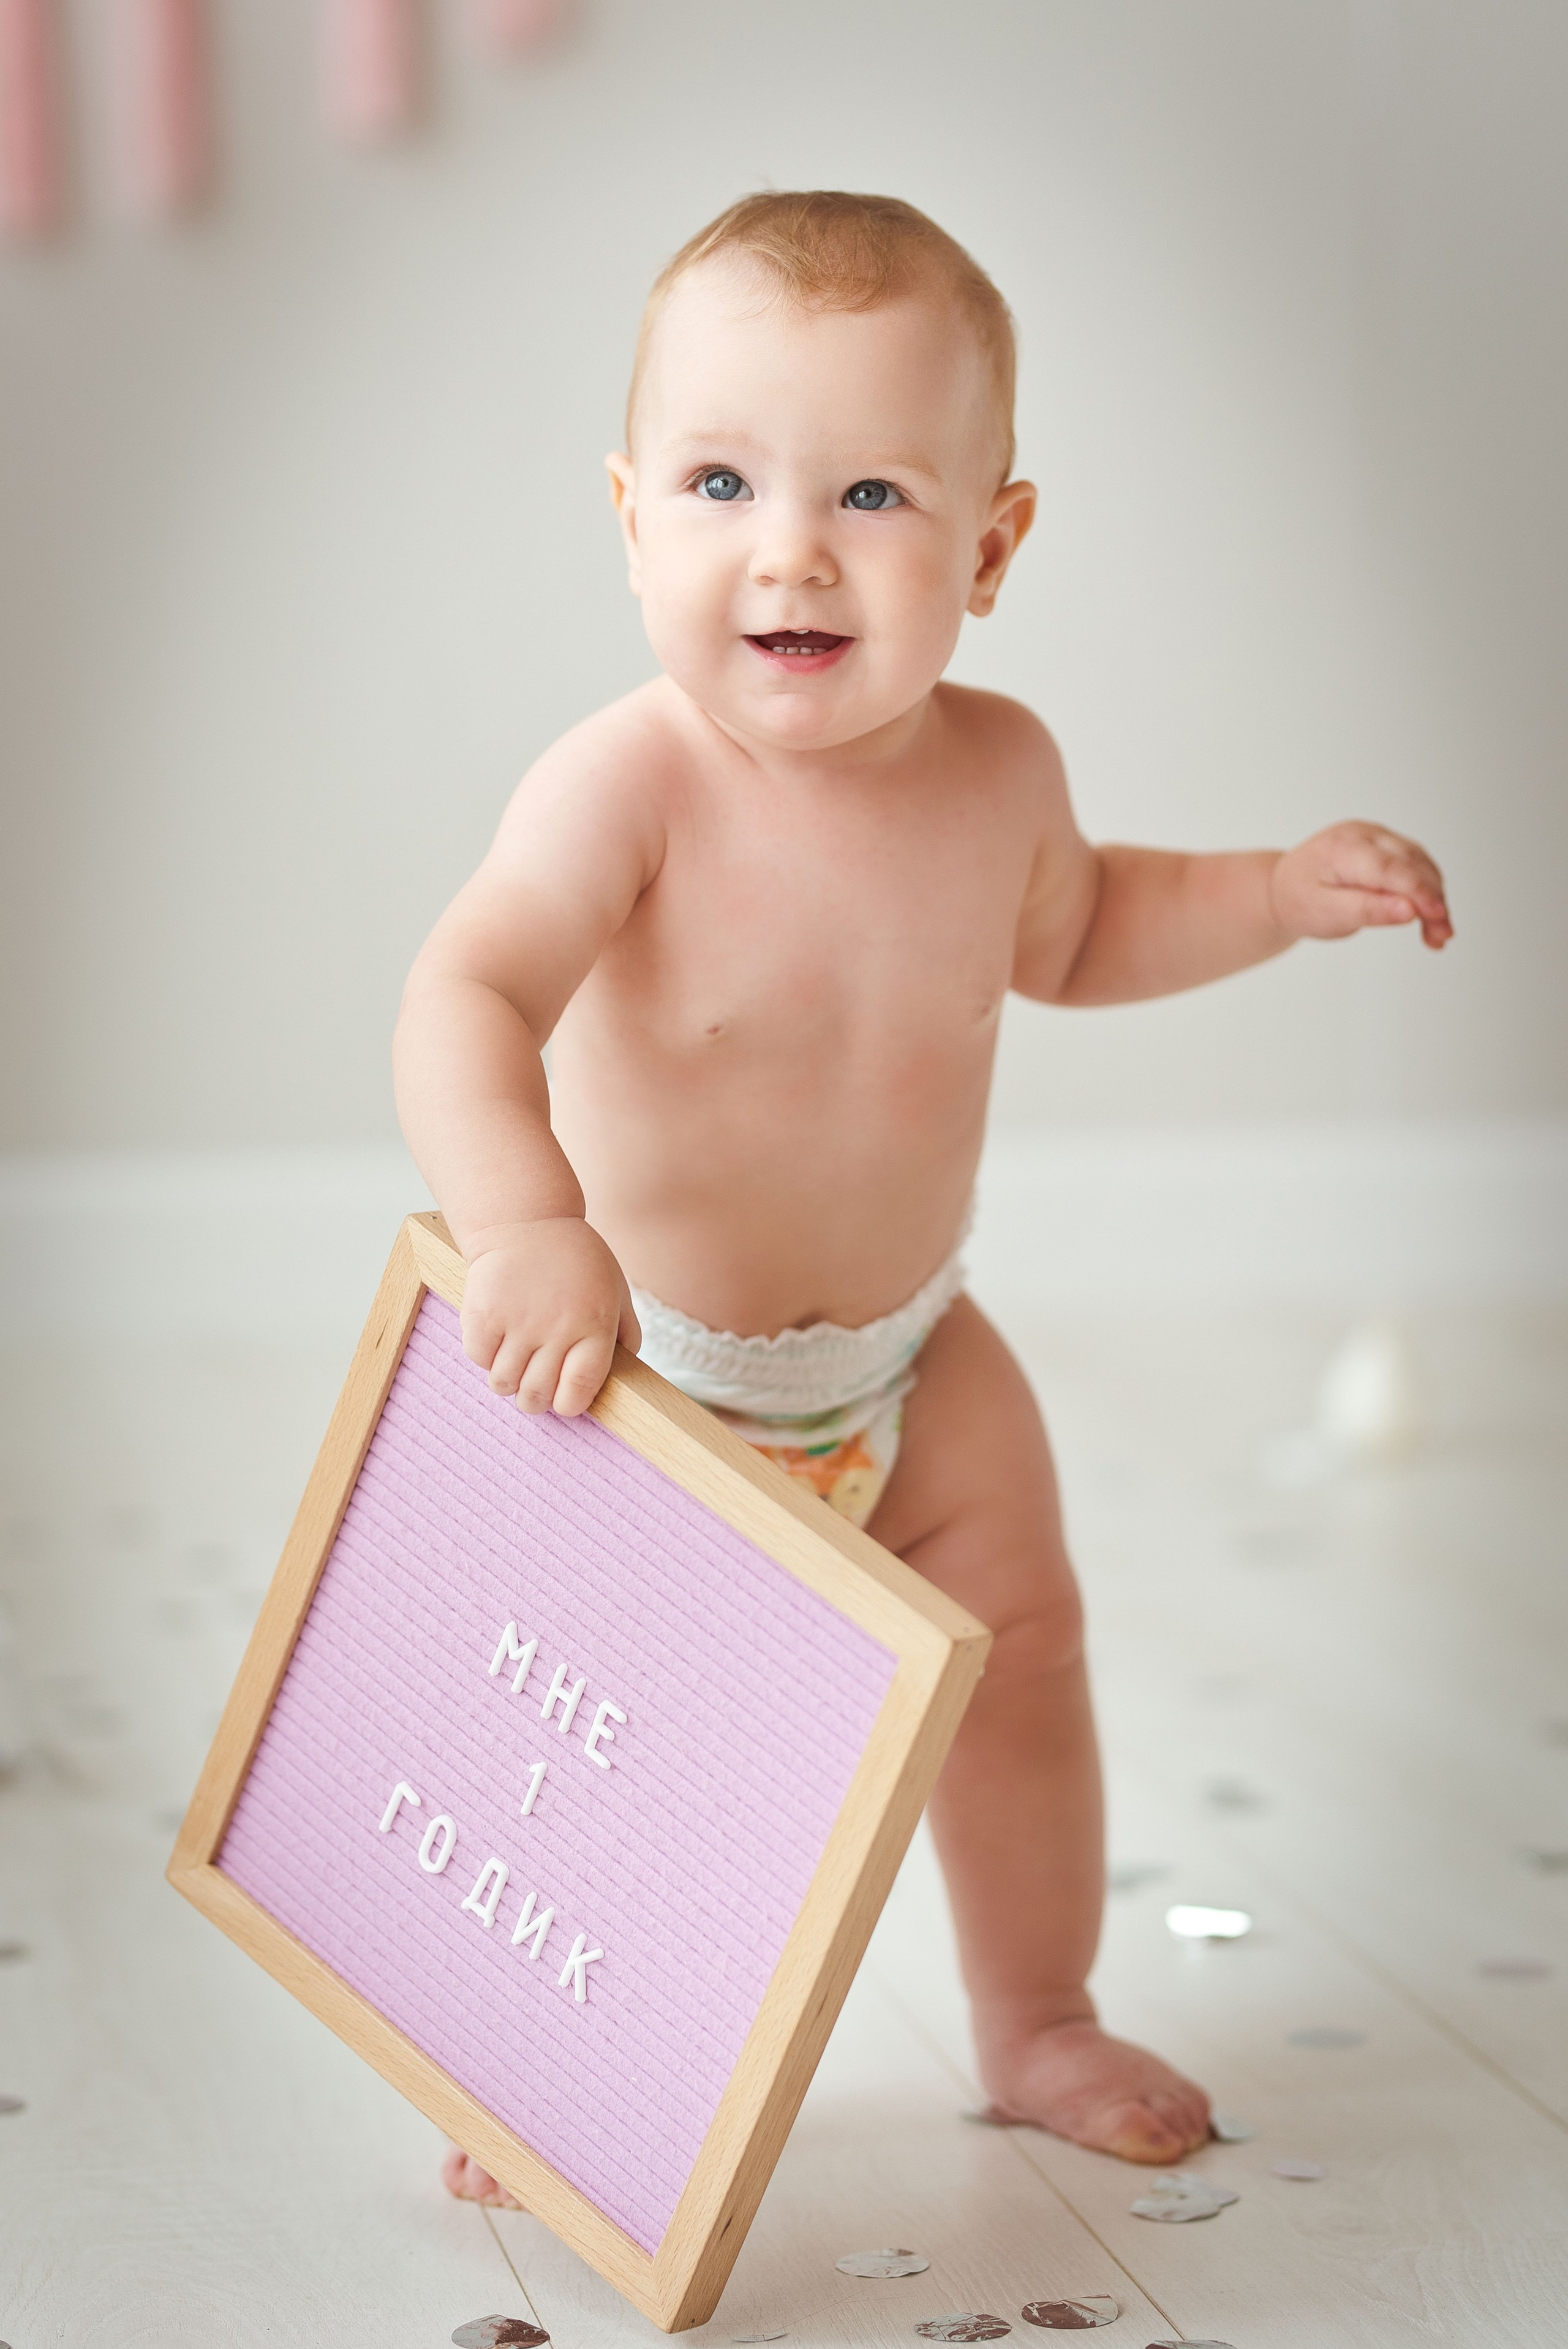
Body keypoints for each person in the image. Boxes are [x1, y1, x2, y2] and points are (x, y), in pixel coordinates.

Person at [394, 191, 1452, 2204]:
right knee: (617, 1737)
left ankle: (1036, 2010)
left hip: (909, 1349)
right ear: (631, 516)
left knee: (1023, 1650)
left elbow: (1092, 924)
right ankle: (538, 2055)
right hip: (651, 1377)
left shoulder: (1002, 774)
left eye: (871, 489)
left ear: (992, 542)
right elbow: (467, 990)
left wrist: (1275, 892)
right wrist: (529, 1216)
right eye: (720, 480)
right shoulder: (625, 789)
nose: (788, 545)